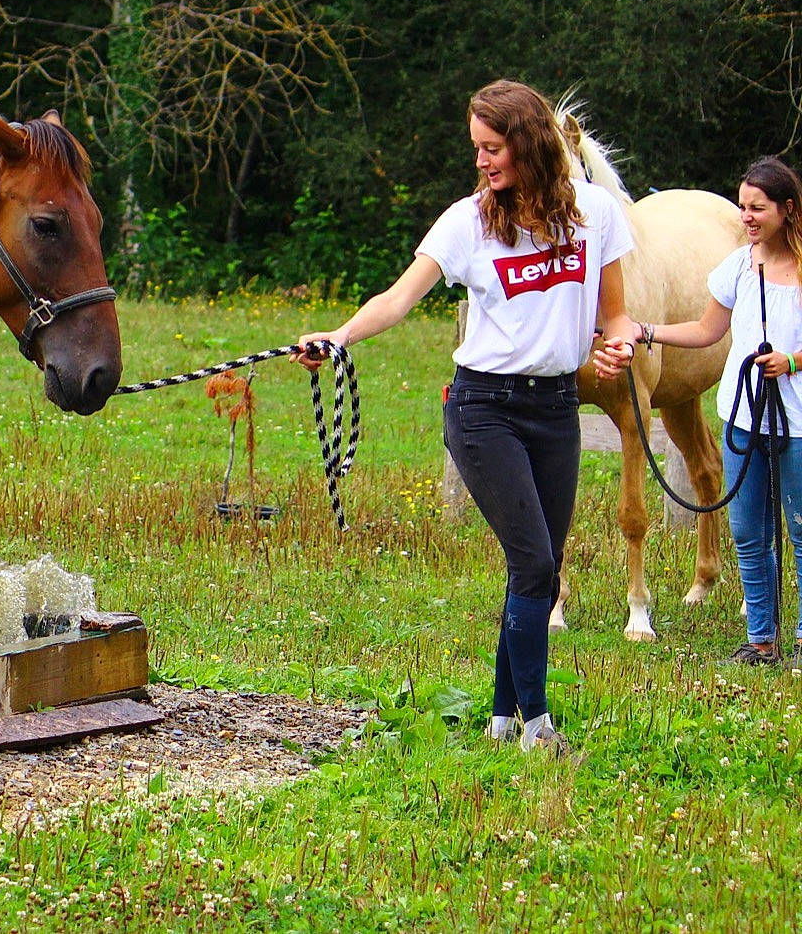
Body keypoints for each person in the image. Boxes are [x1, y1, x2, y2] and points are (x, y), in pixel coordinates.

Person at [298, 80, 635, 754]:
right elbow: (397, 299)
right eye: (476, 149)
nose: (482, 161)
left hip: (555, 406)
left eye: (492, 147)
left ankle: (503, 717)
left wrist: (620, 338)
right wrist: (337, 337)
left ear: (531, 142)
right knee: (536, 561)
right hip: (486, 411)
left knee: (536, 563)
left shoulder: (597, 213)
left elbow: (615, 310)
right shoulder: (469, 222)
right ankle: (538, 728)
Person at [593, 156, 802, 667]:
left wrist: (794, 360)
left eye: (757, 208)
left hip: (796, 419)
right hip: (743, 415)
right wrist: (647, 332)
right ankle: (761, 638)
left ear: (787, 210)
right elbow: (706, 331)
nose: (746, 217)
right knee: (749, 532)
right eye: (743, 206)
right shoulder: (736, 266)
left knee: (799, 530)